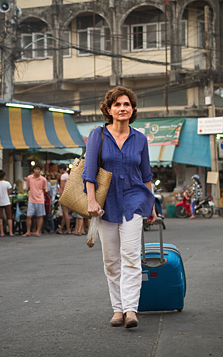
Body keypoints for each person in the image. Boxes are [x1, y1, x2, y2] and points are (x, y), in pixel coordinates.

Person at [84, 86, 156, 329]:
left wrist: (151, 204)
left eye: (126, 104)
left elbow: (146, 174)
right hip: (106, 204)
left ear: (133, 109)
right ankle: (117, 308)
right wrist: (91, 201)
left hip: (135, 201)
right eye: (117, 105)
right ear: (109, 109)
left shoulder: (140, 139)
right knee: (111, 260)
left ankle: (130, 309)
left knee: (131, 256)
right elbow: (89, 171)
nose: (122, 108)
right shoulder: (98, 135)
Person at [23, 163, 48, 237]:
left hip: (40, 200)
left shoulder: (43, 179)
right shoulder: (29, 178)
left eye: (38, 169)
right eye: (35, 169)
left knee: (40, 216)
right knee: (29, 216)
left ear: (40, 171)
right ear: (33, 170)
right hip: (31, 199)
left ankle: (38, 231)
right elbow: (28, 188)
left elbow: (44, 189)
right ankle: (28, 231)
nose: (36, 171)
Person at [0, 170, 13, 236]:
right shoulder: (7, 183)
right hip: (6, 201)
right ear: (4, 176)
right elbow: (8, 192)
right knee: (9, 217)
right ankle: (10, 232)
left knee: (0, 217)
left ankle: (2, 232)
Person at [57, 165, 72, 234]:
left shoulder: (63, 176)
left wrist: (60, 198)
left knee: (65, 213)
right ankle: (61, 229)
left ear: (62, 169)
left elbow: (62, 188)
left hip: (65, 196)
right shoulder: (70, 175)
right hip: (70, 195)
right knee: (65, 213)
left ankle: (68, 230)